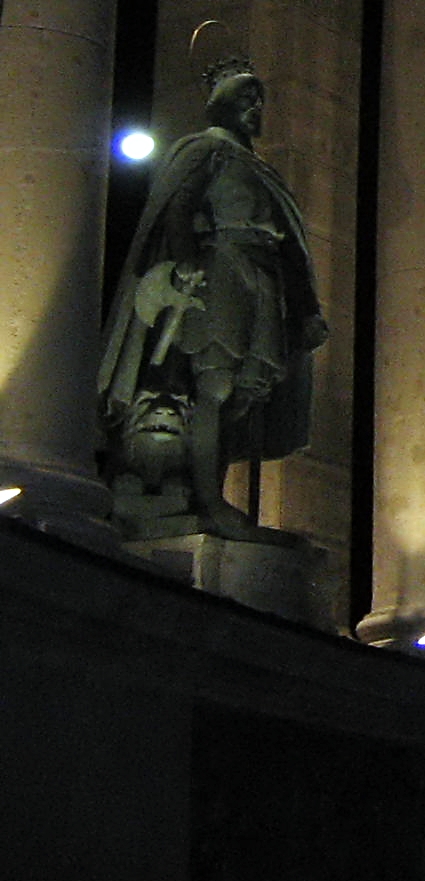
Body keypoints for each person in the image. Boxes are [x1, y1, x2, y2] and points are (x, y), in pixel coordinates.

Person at [98, 56, 326, 537]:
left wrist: (306, 308)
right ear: (218, 104)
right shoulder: (204, 151)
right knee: (215, 386)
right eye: (244, 97)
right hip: (223, 267)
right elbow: (178, 207)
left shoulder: (261, 170)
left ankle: (214, 497)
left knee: (247, 394)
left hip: (264, 279)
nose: (254, 107)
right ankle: (209, 501)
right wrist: (186, 262)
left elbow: (292, 246)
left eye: (258, 99)